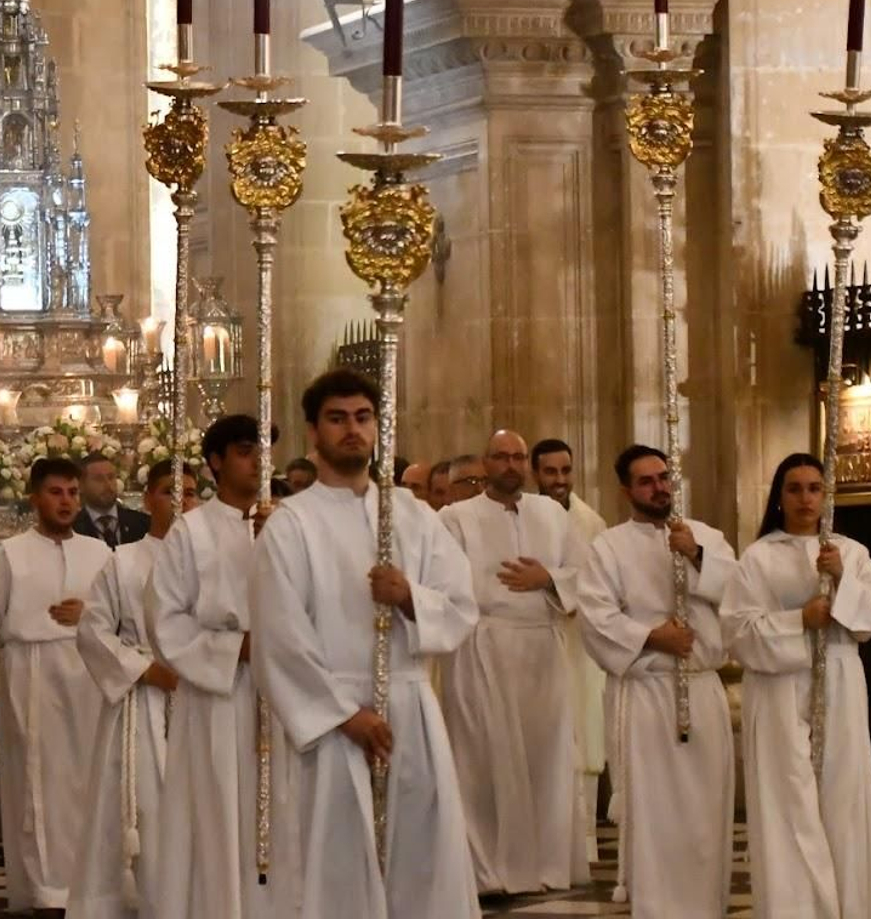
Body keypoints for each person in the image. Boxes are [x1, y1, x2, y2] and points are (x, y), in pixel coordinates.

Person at [253, 370, 480, 918]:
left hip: (408, 705)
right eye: (337, 419)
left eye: (362, 417)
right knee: (337, 863)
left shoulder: (414, 517)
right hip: (332, 722)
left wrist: (408, 597)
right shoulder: (291, 526)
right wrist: (342, 715)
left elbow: (460, 606)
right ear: (314, 431)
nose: (352, 430)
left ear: (378, 425)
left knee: (424, 859)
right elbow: (280, 635)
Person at [721, 453, 871, 918]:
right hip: (779, 685)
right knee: (788, 797)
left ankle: (851, 904)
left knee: (843, 794)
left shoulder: (849, 552)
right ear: (779, 497)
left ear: (826, 494)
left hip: (838, 677)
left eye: (814, 488)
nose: (805, 497)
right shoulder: (758, 557)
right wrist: (797, 619)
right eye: (794, 488)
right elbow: (737, 632)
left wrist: (841, 580)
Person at [574, 444, 737, 916]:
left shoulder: (706, 536)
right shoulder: (609, 546)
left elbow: (742, 594)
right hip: (646, 690)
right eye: (645, 481)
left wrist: (697, 554)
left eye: (664, 477)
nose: (659, 487)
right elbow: (595, 617)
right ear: (626, 490)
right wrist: (652, 636)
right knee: (655, 811)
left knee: (706, 808)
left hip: (701, 687)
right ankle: (659, 905)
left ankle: (707, 904)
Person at [150, 414, 299, 919]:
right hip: (220, 694)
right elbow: (167, 622)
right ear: (215, 462)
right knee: (218, 810)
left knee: (285, 808)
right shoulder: (189, 533)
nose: (260, 459)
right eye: (245, 449)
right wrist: (236, 647)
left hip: (284, 692)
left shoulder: (291, 523)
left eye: (265, 449)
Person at [438, 431, 585, 895]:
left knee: (545, 757)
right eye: (501, 457)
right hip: (482, 647)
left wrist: (549, 577)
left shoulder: (553, 515)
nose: (511, 465)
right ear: (485, 463)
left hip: (542, 646)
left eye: (519, 457)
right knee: (482, 762)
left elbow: (586, 573)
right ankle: (487, 869)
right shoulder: (455, 517)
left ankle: (547, 864)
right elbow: (444, 579)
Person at [0, 457, 112, 916]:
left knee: (91, 780)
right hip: (34, 676)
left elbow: (124, 616)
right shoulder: (12, 553)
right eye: (56, 492)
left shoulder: (100, 552)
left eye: (72, 492)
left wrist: (87, 616)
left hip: (90, 676)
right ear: (35, 498)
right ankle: (48, 889)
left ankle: (95, 885)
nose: (67, 501)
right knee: (41, 785)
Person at [68, 459, 181, 919]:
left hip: (201, 696)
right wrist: (142, 668)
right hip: (145, 697)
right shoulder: (126, 559)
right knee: (147, 807)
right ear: (149, 498)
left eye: (192, 492)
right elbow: (93, 630)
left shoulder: (212, 560)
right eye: (171, 490)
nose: (182, 500)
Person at [531, 436, 610, 861]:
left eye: (565, 471)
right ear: (535, 474)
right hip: (532, 644)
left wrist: (549, 580)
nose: (559, 480)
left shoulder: (591, 523)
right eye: (550, 472)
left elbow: (594, 584)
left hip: (578, 646)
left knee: (581, 743)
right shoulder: (523, 516)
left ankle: (582, 847)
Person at [74, 453, 149, 548]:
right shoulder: (72, 529)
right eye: (99, 479)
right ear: (80, 485)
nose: (108, 485)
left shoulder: (143, 523)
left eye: (111, 477)